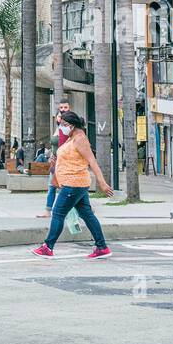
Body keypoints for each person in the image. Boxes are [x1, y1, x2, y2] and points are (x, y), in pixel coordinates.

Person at [32, 111, 113, 258]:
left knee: (57, 213)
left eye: (63, 125)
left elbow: (92, 161)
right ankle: (102, 247)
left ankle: (47, 247)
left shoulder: (80, 139)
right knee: (87, 214)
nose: (61, 127)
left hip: (74, 183)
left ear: (72, 125)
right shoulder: (72, 137)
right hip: (74, 183)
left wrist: (102, 182)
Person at [36, 101, 70, 218]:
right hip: (55, 161)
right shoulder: (58, 128)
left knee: (63, 187)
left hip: (64, 161)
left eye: (65, 108)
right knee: (52, 186)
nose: (63, 110)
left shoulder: (69, 128)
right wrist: (51, 154)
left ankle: (75, 210)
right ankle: (48, 210)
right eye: (61, 108)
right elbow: (55, 144)